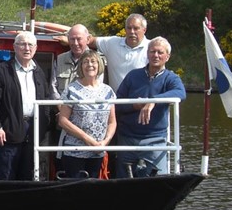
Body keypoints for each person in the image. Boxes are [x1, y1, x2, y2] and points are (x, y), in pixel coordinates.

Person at [114, 37, 186, 178]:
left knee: (160, 180)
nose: (156, 55)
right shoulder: (133, 76)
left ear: (167, 56)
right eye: (152, 51)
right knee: (122, 180)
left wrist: (153, 101)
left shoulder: (171, 78)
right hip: (127, 137)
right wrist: (135, 105)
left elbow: (180, 93)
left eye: (160, 52)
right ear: (147, 53)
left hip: (155, 139)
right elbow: (117, 103)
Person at [0, 32, 52, 180]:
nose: (26, 48)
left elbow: (46, 98)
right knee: (5, 173)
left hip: (33, 130)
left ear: (35, 48)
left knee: (29, 173)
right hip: (9, 130)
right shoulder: (3, 70)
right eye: (22, 44)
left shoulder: (39, 72)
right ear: (15, 47)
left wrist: (44, 123)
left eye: (30, 45)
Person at [58, 50, 116, 178]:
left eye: (93, 61)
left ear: (99, 65)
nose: (90, 65)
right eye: (85, 62)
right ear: (81, 66)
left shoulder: (108, 91)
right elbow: (63, 120)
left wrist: (105, 142)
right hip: (75, 152)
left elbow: (112, 121)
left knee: (93, 189)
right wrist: (87, 139)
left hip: (97, 152)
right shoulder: (71, 90)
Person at [89, 13, 150, 93]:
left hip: (141, 101)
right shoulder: (112, 43)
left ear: (144, 30)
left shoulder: (152, 47)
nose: (132, 32)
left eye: (136, 28)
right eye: (129, 28)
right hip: (116, 101)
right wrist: (69, 40)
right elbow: (89, 40)